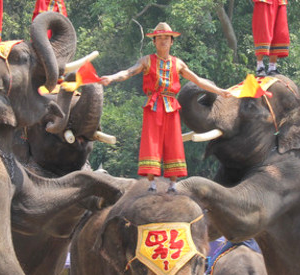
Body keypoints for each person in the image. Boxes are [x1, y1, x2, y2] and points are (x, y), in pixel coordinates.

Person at [99, 22, 231, 192]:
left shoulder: (178, 64)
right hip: (153, 105)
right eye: (159, 38)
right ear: (154, 42)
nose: (163, 41)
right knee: (151, 141)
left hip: (171, 106)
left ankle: (173, 183)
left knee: (173, 142)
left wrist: (219, 91)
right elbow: (128, 72)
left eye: (166, 38)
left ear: (172, 42)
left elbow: (198, 80)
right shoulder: (146, 60)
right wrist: (111, 77)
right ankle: (152, 183)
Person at [251, 0, 289, 77]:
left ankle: (272, 67)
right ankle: (259, 66)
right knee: (264, 31)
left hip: (279, 2)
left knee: (279, 33)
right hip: (265, 2)